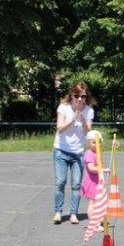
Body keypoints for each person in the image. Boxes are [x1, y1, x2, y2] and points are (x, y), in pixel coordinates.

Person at [53, 81, 94, 224]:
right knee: (60, 181)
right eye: (76, 96)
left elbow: (88, 134)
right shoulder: (63, 108)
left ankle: (73, 214)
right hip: (61, 150)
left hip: (77, 152)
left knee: (76, 184)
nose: (79, 99)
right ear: (71, 95)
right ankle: (58, 212)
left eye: (82, 96)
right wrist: (72, 120)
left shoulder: (88, 110)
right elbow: (60, 128)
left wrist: (82, 120)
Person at [81, 130, 103, 225]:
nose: (96, 145)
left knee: (97, 202)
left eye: (99, 142)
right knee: (92, 203)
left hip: (96, 182)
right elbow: (91, 168)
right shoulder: (89, 153)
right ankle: (93, 224)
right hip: (91, 182)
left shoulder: (96, 153)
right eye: (94, 142)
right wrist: (103, 169)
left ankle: (97, 220)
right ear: (88, 143)